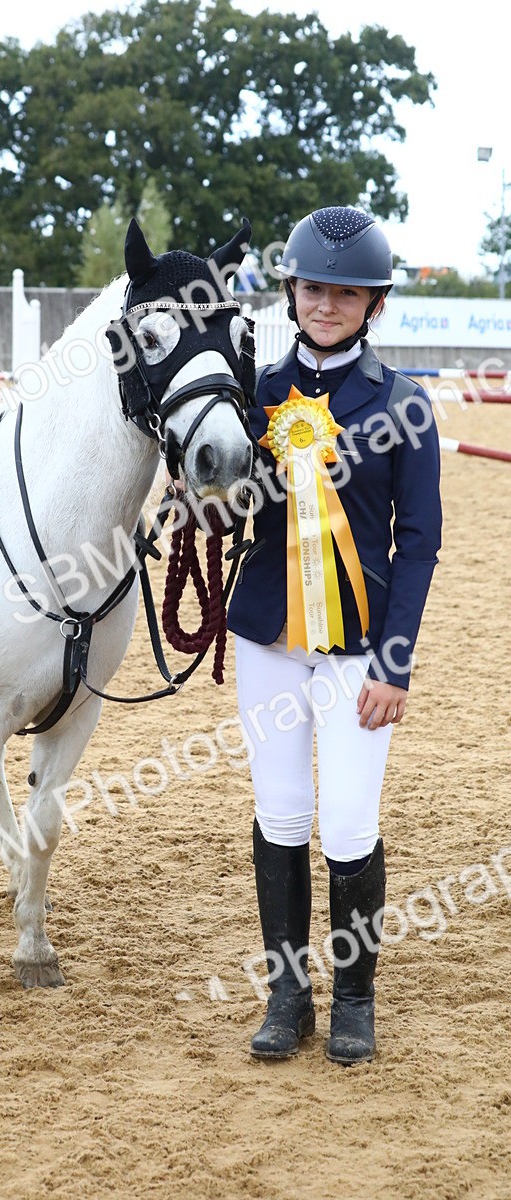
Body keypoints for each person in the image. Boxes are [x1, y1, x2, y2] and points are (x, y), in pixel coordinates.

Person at [226, 206, 442, 1065]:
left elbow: (418, 541)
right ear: (291, 292)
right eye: (313, 289)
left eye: (346, 294)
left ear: (374, 305)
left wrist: (395, 662)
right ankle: (289, 996)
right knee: (279, 811)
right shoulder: (255, 396)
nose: (326, 305)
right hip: (266, 640)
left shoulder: (404, 404)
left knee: (348, 823)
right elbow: (223, 500)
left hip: (360, 650)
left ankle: (354, 997)